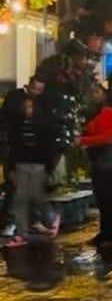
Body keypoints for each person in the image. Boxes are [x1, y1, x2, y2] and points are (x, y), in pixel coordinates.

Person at [78, 81, 112, 258]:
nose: (94, 94)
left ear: (106, 94)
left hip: (108, 159)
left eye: (98, 92)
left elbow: (106, 136)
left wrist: (83, 141)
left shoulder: (109, 112)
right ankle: (106, 233)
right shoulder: (100, 112)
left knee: (109, 198)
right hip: (102, 159)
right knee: (103, 199)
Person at [4, 91, 60, 244]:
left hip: (37, 164)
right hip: (22, 164)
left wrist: (48, 169)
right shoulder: (18, 125)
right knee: (21, 198)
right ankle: (22, 233)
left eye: (31, 107)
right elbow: (14, 146)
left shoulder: (42, 126)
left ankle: (52, 218)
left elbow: (48, 147)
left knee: (36, 196)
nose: (28, 110)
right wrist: (11, 168)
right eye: (26, 107)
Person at [0, 73, 51, 237]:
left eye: (40, 90)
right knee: (14, 187)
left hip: (34, 153)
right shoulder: (15, 97)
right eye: (35, 88)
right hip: (16, 149)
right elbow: (6, 120)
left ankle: (33, 220)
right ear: (29, 85)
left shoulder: (42, 102)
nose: (36, 93)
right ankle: (9, 221)